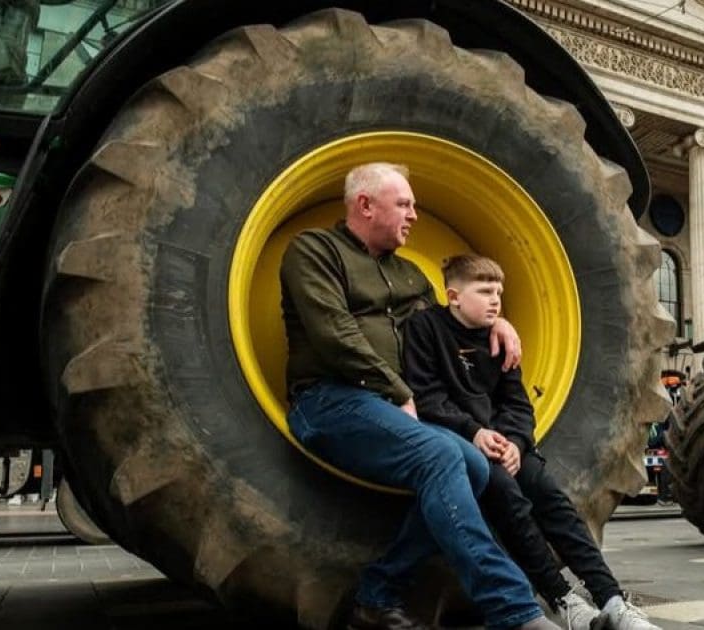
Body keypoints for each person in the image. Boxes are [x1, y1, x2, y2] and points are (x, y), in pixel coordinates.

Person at [279, 163, 556, 630]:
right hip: (329, 399)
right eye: (404, 204)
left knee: (469, 461)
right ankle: (515, 610)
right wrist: (397, 390)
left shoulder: (412, 275)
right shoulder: (314, 251)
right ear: (365, 205)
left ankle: (376, 593)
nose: (413, 215)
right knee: (441, 455)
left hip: (390, 408)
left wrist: (497, 321)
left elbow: (448, 328)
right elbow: (333, 333)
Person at [402, 254, 663, 630]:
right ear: (454, 296)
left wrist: (516, 443)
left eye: (499, 292)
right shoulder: (425, 329)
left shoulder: (501, 340)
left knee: (552, 499)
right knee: (510, 501)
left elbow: (517, 403)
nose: (495, 299)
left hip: (505, 446)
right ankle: (561, 598)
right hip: (462, 441)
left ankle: (612, 600)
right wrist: (474, 432)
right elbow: (426, 395)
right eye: (485, 291)